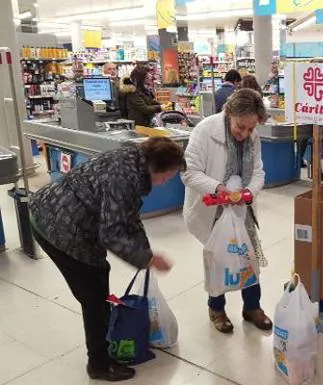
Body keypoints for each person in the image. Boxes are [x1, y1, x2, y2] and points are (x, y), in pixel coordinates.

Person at [29, 137, 185, 381]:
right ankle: (99, 365)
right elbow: (111, 233)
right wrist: (148, 259)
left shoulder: (131, 161)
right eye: (168, 176)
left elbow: (127, 215)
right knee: (94, 297)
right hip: (59, 227)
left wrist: (145, 251)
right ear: (156, 166)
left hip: (52, 212)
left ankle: (101, 349)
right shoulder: (124, 178)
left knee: (98, 282)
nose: (166, 182)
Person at [182, 88, 272, 334]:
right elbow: (188, 172)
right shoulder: (205, 131)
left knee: (248, 254)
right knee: (218, 257)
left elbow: (258, 171)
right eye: (240, 127)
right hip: (212, 209)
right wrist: (217, 188)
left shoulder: (252, 136)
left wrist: (249, 192)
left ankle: (252, 307)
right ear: (229, 113)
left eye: (251, 128)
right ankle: (217, 309)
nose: (245, 134)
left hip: (241, 208)